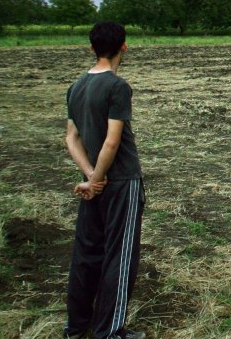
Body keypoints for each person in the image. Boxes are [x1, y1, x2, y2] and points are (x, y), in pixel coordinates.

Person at [63, 21, 145, 339]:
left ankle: (76, 326)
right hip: (121, 180)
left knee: (86, 253)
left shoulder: (76, 86)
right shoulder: (116, 86)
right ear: (124, 46)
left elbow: (71, 138)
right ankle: (110, 332)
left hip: (94, 183)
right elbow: (112, 141)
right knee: (119, 256)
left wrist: (89, 177)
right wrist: (98, 179)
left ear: (91, 48)